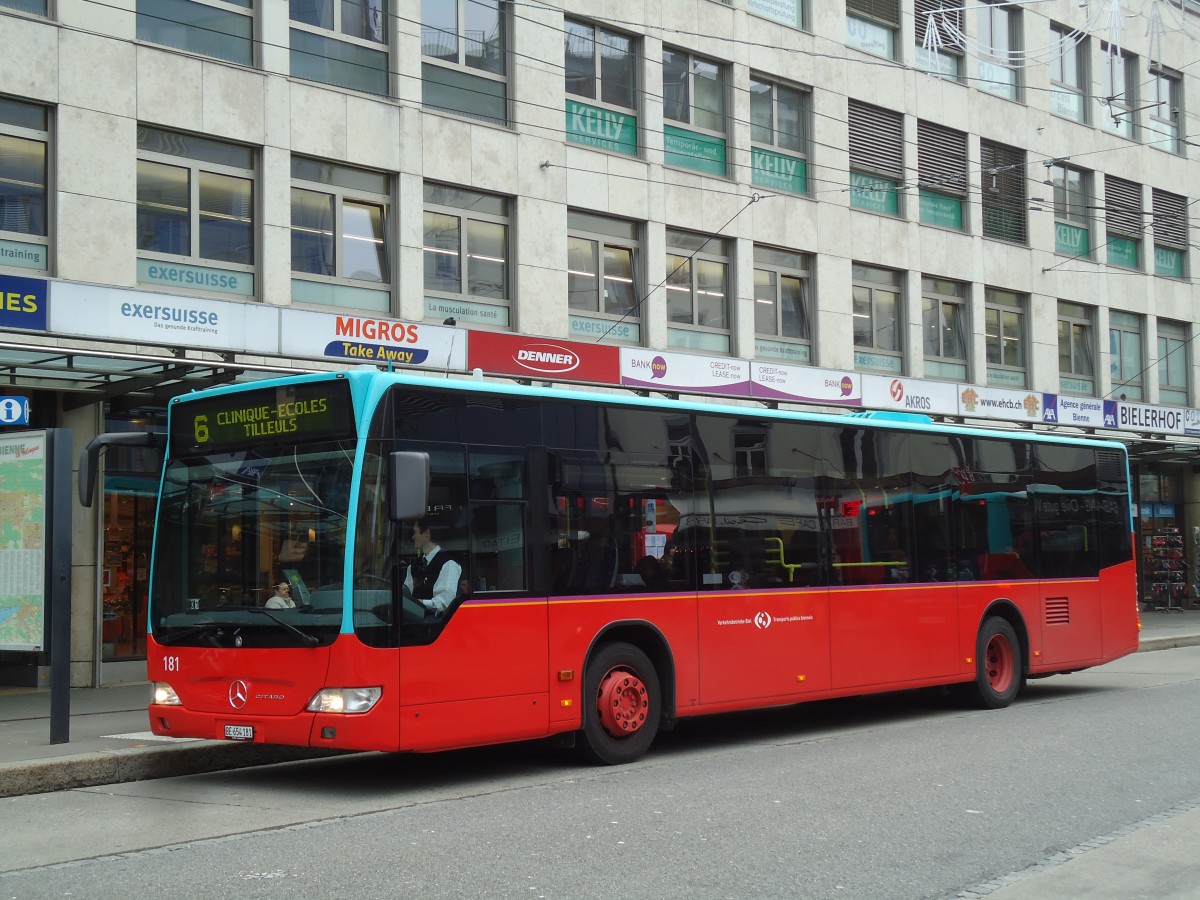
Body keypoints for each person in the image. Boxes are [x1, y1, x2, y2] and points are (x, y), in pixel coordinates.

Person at [403, 521, 462, 615]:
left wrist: (417, 603)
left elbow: (444, 602)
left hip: (437, 625)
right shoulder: (412, 566)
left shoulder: (449, 564)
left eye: (415, 532)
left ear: (426, 533)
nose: (412, 537)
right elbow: (406, 594)